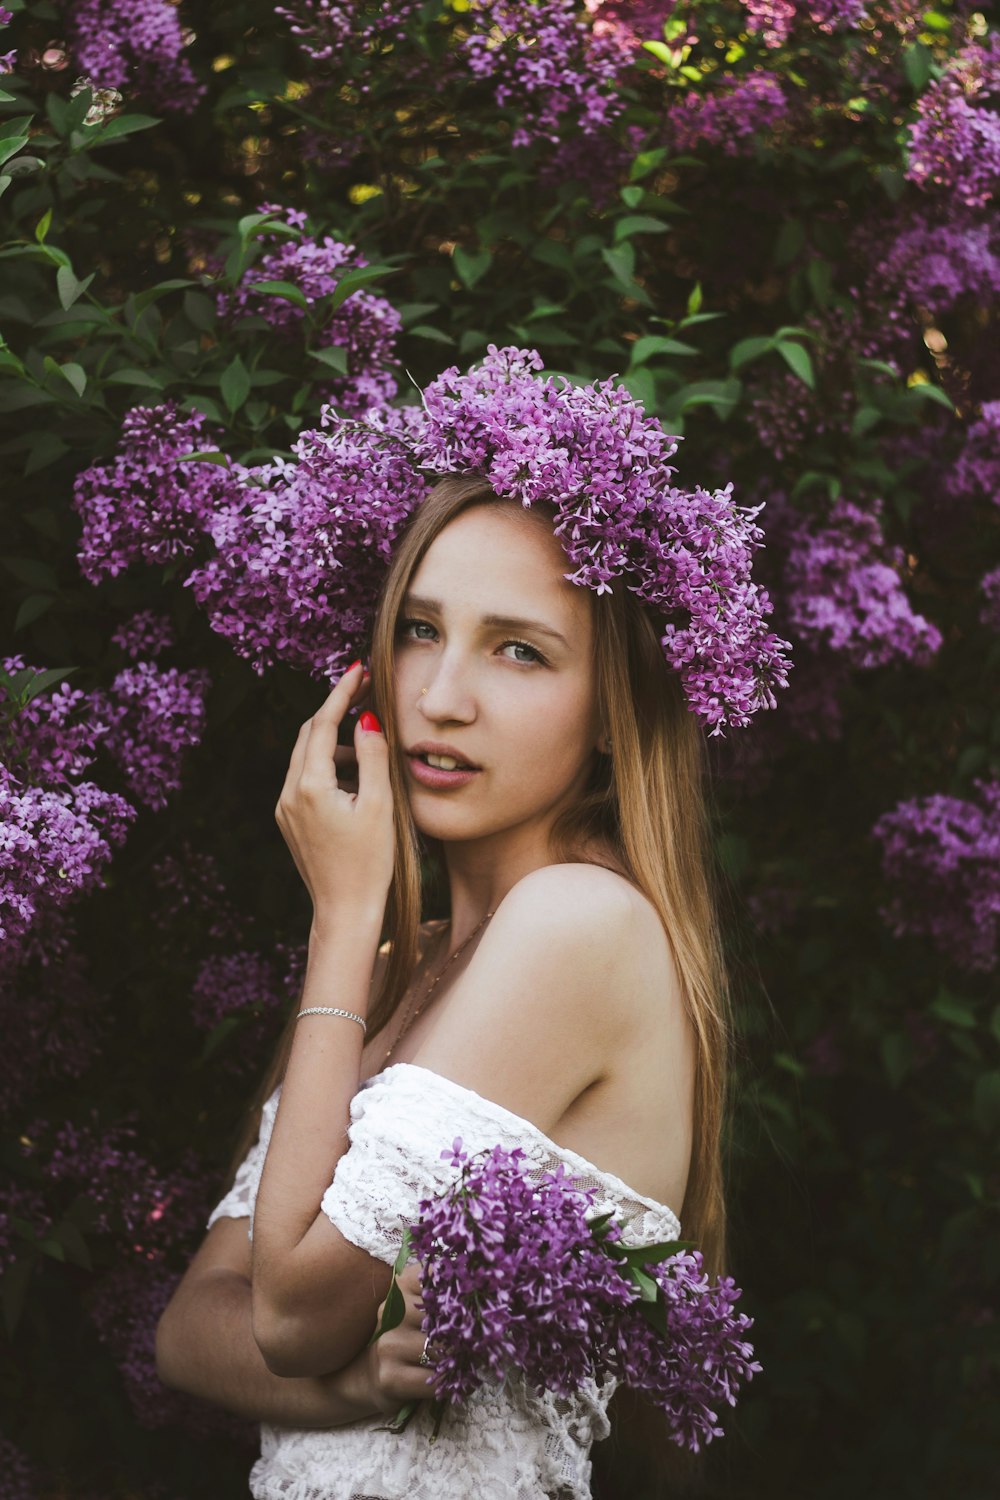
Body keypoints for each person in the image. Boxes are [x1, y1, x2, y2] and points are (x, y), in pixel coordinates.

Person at [155, 350, 789, 1500]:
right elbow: (193, 1326)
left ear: (613, 712)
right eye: (417, 630)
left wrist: (342, 917)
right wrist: (352, 1389)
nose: (441, 696)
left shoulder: (575, 924)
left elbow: (287, 1315)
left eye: (519, 649)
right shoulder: (411, 967)